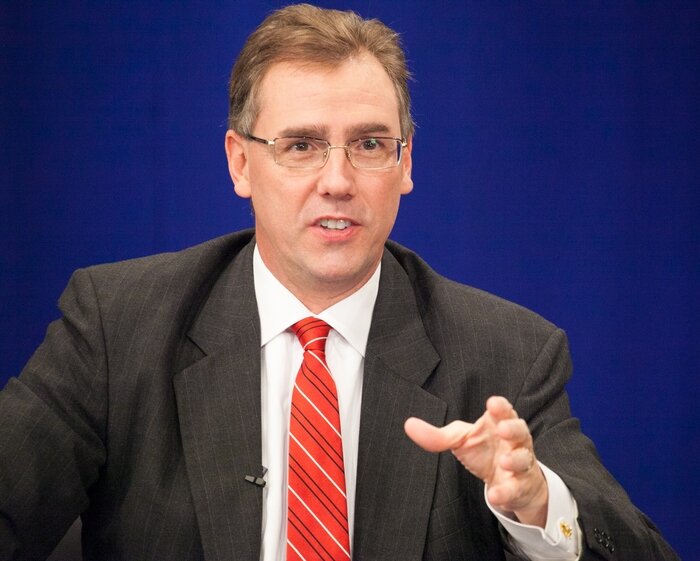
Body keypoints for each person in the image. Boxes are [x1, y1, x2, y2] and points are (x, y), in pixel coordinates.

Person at [0, 4, 679, 561]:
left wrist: (537, 506)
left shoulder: (508, 355)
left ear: (405, 163)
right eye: (301, 145)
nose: (337, 181)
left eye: (369, 144)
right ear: (240, 164)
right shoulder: (118, 328)